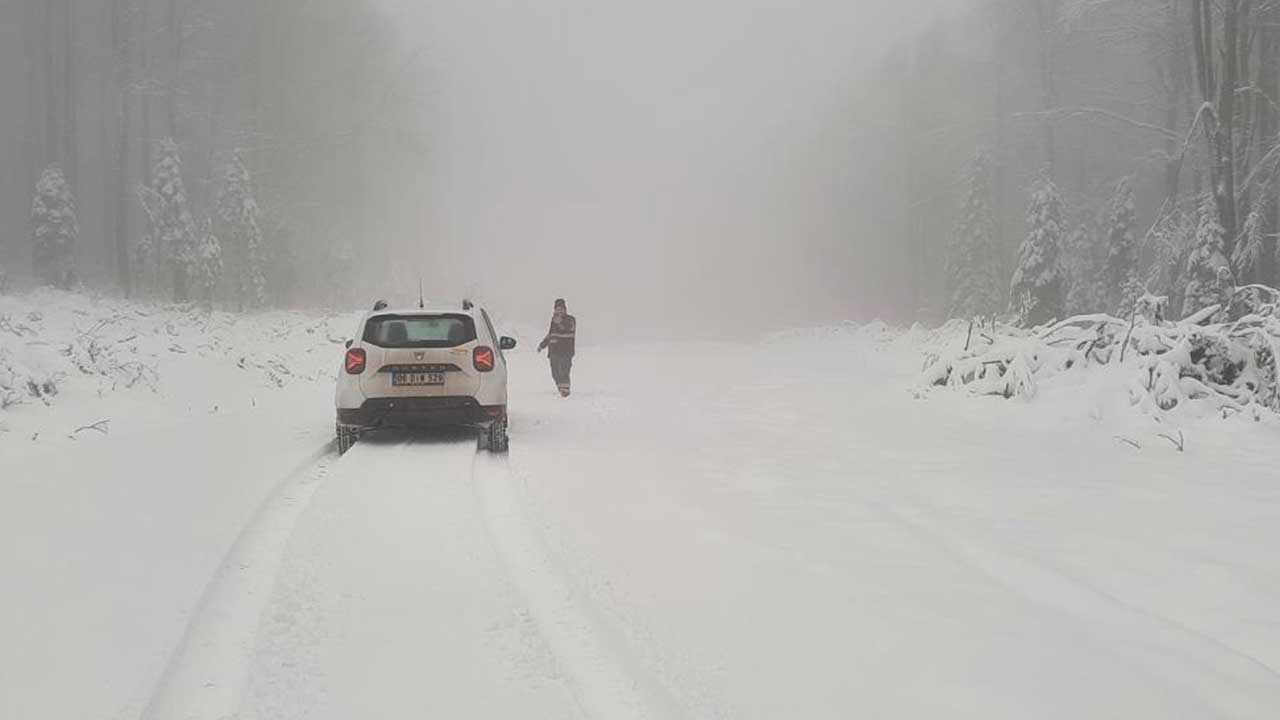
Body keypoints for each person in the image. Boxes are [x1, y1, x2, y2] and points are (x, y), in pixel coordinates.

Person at [537, 298, 577, 397]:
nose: (558, 311)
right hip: (554, 351)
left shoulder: (571, 319)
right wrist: (542, 345)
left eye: (561, 309)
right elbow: (551, 334)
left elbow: (568, 329)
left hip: (566, 350)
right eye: (557, 309)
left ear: (565, 309)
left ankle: (565, 390)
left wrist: (560, 323)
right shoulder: (554, 320)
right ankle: (561, 387)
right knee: (555, 371)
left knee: (564, 370)